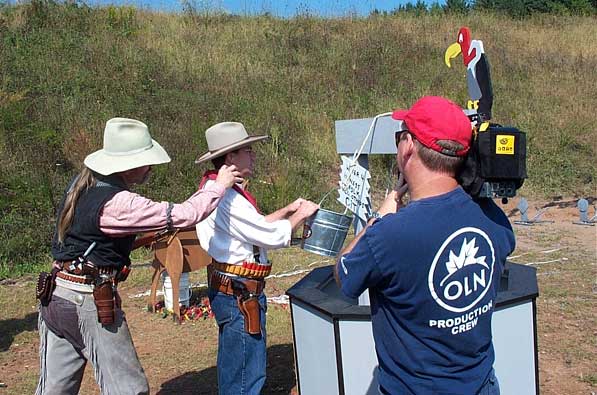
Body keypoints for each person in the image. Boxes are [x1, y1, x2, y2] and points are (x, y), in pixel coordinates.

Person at [36, 117, 242, 395]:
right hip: (87, 301)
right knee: (129, 390)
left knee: (54, 389)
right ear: (131, 164)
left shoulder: (82, 183)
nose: (151, 168)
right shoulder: (119, 202)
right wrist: (221, 184)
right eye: (147, 161)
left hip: (56, 295)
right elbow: (184, 215)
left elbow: (87, 239)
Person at [334, 96, 515, 395]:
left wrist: (380, 214)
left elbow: (344, 274)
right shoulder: (493, 217)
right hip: (482, 385)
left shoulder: (388, 235)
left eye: (399, 138)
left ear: (407, 147)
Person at [195, 121, 319, 395]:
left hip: (232, 288)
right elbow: (270, 236)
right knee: (244, 374)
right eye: (247, 150)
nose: (253, 155)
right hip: (240, 292)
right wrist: (301, 214)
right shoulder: (228, 198)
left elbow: (254, 228)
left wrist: (287, 210)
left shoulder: (214, 189)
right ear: (230, 158)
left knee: (236, 364)